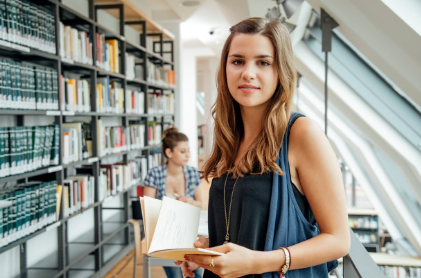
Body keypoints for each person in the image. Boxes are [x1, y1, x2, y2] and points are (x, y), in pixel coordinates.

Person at [177, 17, 350, 278]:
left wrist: (257, 263)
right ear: (225, 69)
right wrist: (207, 252)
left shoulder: (302, 134)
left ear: (280, 71)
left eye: (263, 62)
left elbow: (338, 240)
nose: (248, 72)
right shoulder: (230, 137)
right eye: (237, 61)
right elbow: (242, 231)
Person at [143, 127, 204, 278]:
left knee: (196, 272)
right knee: (176, 275)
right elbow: (148, 210)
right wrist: (169, 207)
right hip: (163, 234)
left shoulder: (192, 173)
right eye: (182, 151)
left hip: (188, 231)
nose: (188, 155)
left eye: (188, 150)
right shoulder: (155, 174)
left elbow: (201, 203)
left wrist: (191, 202)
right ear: (169, 153)